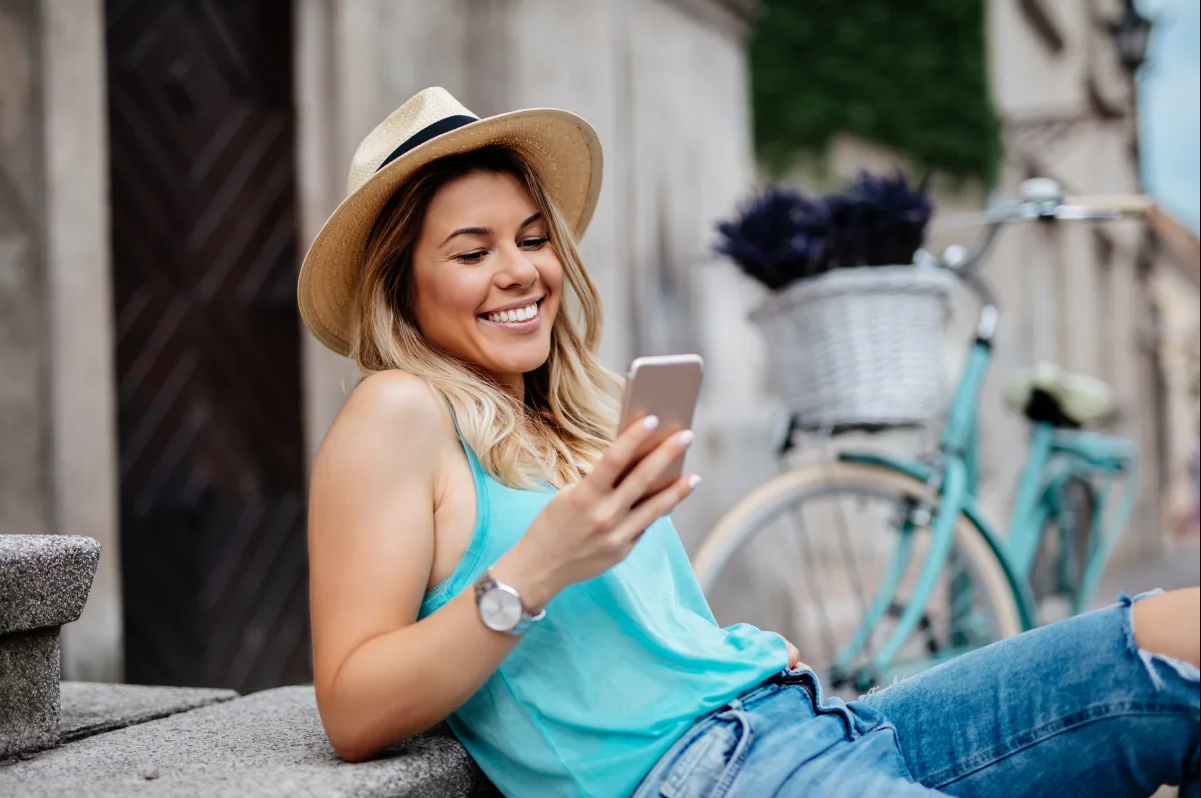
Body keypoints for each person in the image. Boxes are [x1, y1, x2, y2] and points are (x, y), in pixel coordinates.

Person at [301, 88, 1200, 797]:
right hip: (710, 776)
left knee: (1182, 634)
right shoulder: (399, 411)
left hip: (803, 722)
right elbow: (352, 704)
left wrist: (724, 641)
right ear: (400, 283)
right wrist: (535, 570)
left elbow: (621, 653)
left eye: (534, 239)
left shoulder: (569, 415)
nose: (521, 270)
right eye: (471, 252)